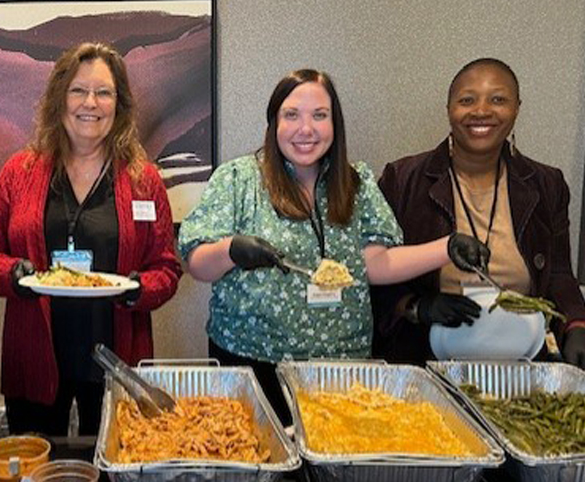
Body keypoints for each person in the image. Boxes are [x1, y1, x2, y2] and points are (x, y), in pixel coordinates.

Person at [176, 69, 488, 423]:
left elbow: (377, 264)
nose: (305, 129)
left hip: (341, 368)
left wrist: (447, 248)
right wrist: (231, 250)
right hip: (251, 362)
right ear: (274, 122)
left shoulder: (356, 183)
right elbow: (196, 262)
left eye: (319, 116)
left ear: (334, 124)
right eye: (291, 115)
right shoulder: (238, 179)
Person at [0, 42, 182, 436]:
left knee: (115, 464)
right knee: (38, 467)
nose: (91, 102)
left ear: (118, 104)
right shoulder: (18, 171)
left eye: (104, 92)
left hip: (115, 356)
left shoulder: (144, 179)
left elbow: (167, 267)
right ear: (59, 98)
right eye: (78, 90)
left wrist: (140, 289)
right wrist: (14, 274)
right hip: (35, 356)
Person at [372, 58, 585, 368]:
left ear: (517, 108)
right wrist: (417, 307)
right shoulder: (402, 179)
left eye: (498, 99)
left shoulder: (547, 184)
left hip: (523, 356)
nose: (482, 110)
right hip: (426, 357)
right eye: (467, 100)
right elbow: (376, 275)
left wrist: (577, 325)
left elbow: (560, 274)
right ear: (449, 109)